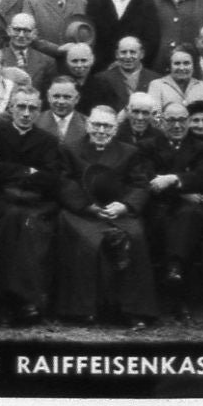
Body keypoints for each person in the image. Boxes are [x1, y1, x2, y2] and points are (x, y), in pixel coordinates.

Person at [55, 105, 158, 327]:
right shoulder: (69, 149)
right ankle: (83, 309)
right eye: (96, 125)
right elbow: (64, 183)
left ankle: (132, 310)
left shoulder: (129, 151)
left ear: (115, 128)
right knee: (88, 241)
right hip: (82, 211)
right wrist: (87, 206)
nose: (101, 130)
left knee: (135, 236)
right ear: (87, 124)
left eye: (107, 126)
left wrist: (125, 205)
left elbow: (140, 184)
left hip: (118, 211)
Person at [0, 85, 66, 325]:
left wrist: (6, 170)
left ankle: (22, 300)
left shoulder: (48, 140)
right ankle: (4, 302)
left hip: (35, 203)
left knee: (27, 225)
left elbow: (51, 179)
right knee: (9, 220)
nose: (26, 113)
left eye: (32, 108)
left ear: (39, 110)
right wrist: (28, 171)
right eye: (21, 106)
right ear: (11, 107)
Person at [144, 101, 203, 323]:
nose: (177, 125)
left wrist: (172, 178)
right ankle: (178, 293)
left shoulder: (201, 148)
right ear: (161, 121)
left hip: (192, 212)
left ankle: (174, 270)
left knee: (188, 217)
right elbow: (149, 182)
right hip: (158, 209)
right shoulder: (147, 146)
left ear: (188, 121)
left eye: (182, 120)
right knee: (176, 223)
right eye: (171, 120)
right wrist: (183, 191)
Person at [87, 0, 160, 69]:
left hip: (136, 68)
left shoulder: (146, 4)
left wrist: (131, 63)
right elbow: (92, 40)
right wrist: (106, 66)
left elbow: (152, 41)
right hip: (102, 68)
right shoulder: (96, 4)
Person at [1, 12, 56, 95]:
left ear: (34, 34)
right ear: (9, 31)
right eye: (17, 30)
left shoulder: (47, 62)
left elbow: (48, 95)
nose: (21, 35)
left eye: (27, 31)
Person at [149, 46, 203, 110]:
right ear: (170, 66)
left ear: (193, 65)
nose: (182, 68)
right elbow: (155, 113)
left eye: (186, 63)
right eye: (177, 63)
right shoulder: (157, 85)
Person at [37, 76, 89, 152]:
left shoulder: (88, 124)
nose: (61, 101)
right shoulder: (36, 122)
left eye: (67, 97)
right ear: (48, 97)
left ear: (77, 98)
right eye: (56, 96)